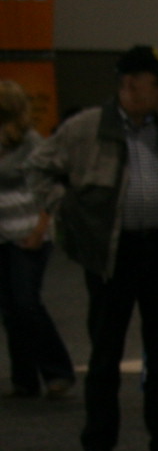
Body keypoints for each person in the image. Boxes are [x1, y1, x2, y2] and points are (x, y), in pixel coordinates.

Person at [29, 45, 158, 451]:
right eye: (157, 82)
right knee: (105, 356)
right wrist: (64, 208)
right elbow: (38, 169)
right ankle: (99, 449)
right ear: (129, 85)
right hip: (112, 256)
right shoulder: (86, 128)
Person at [0, 80, 75, 400]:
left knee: (27, 303)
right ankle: (24, 379)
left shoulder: (31, 142)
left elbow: (50, 185)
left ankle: (59, 372)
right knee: (10, 308)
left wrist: (40, 229)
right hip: (2, 234)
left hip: (29, 232)